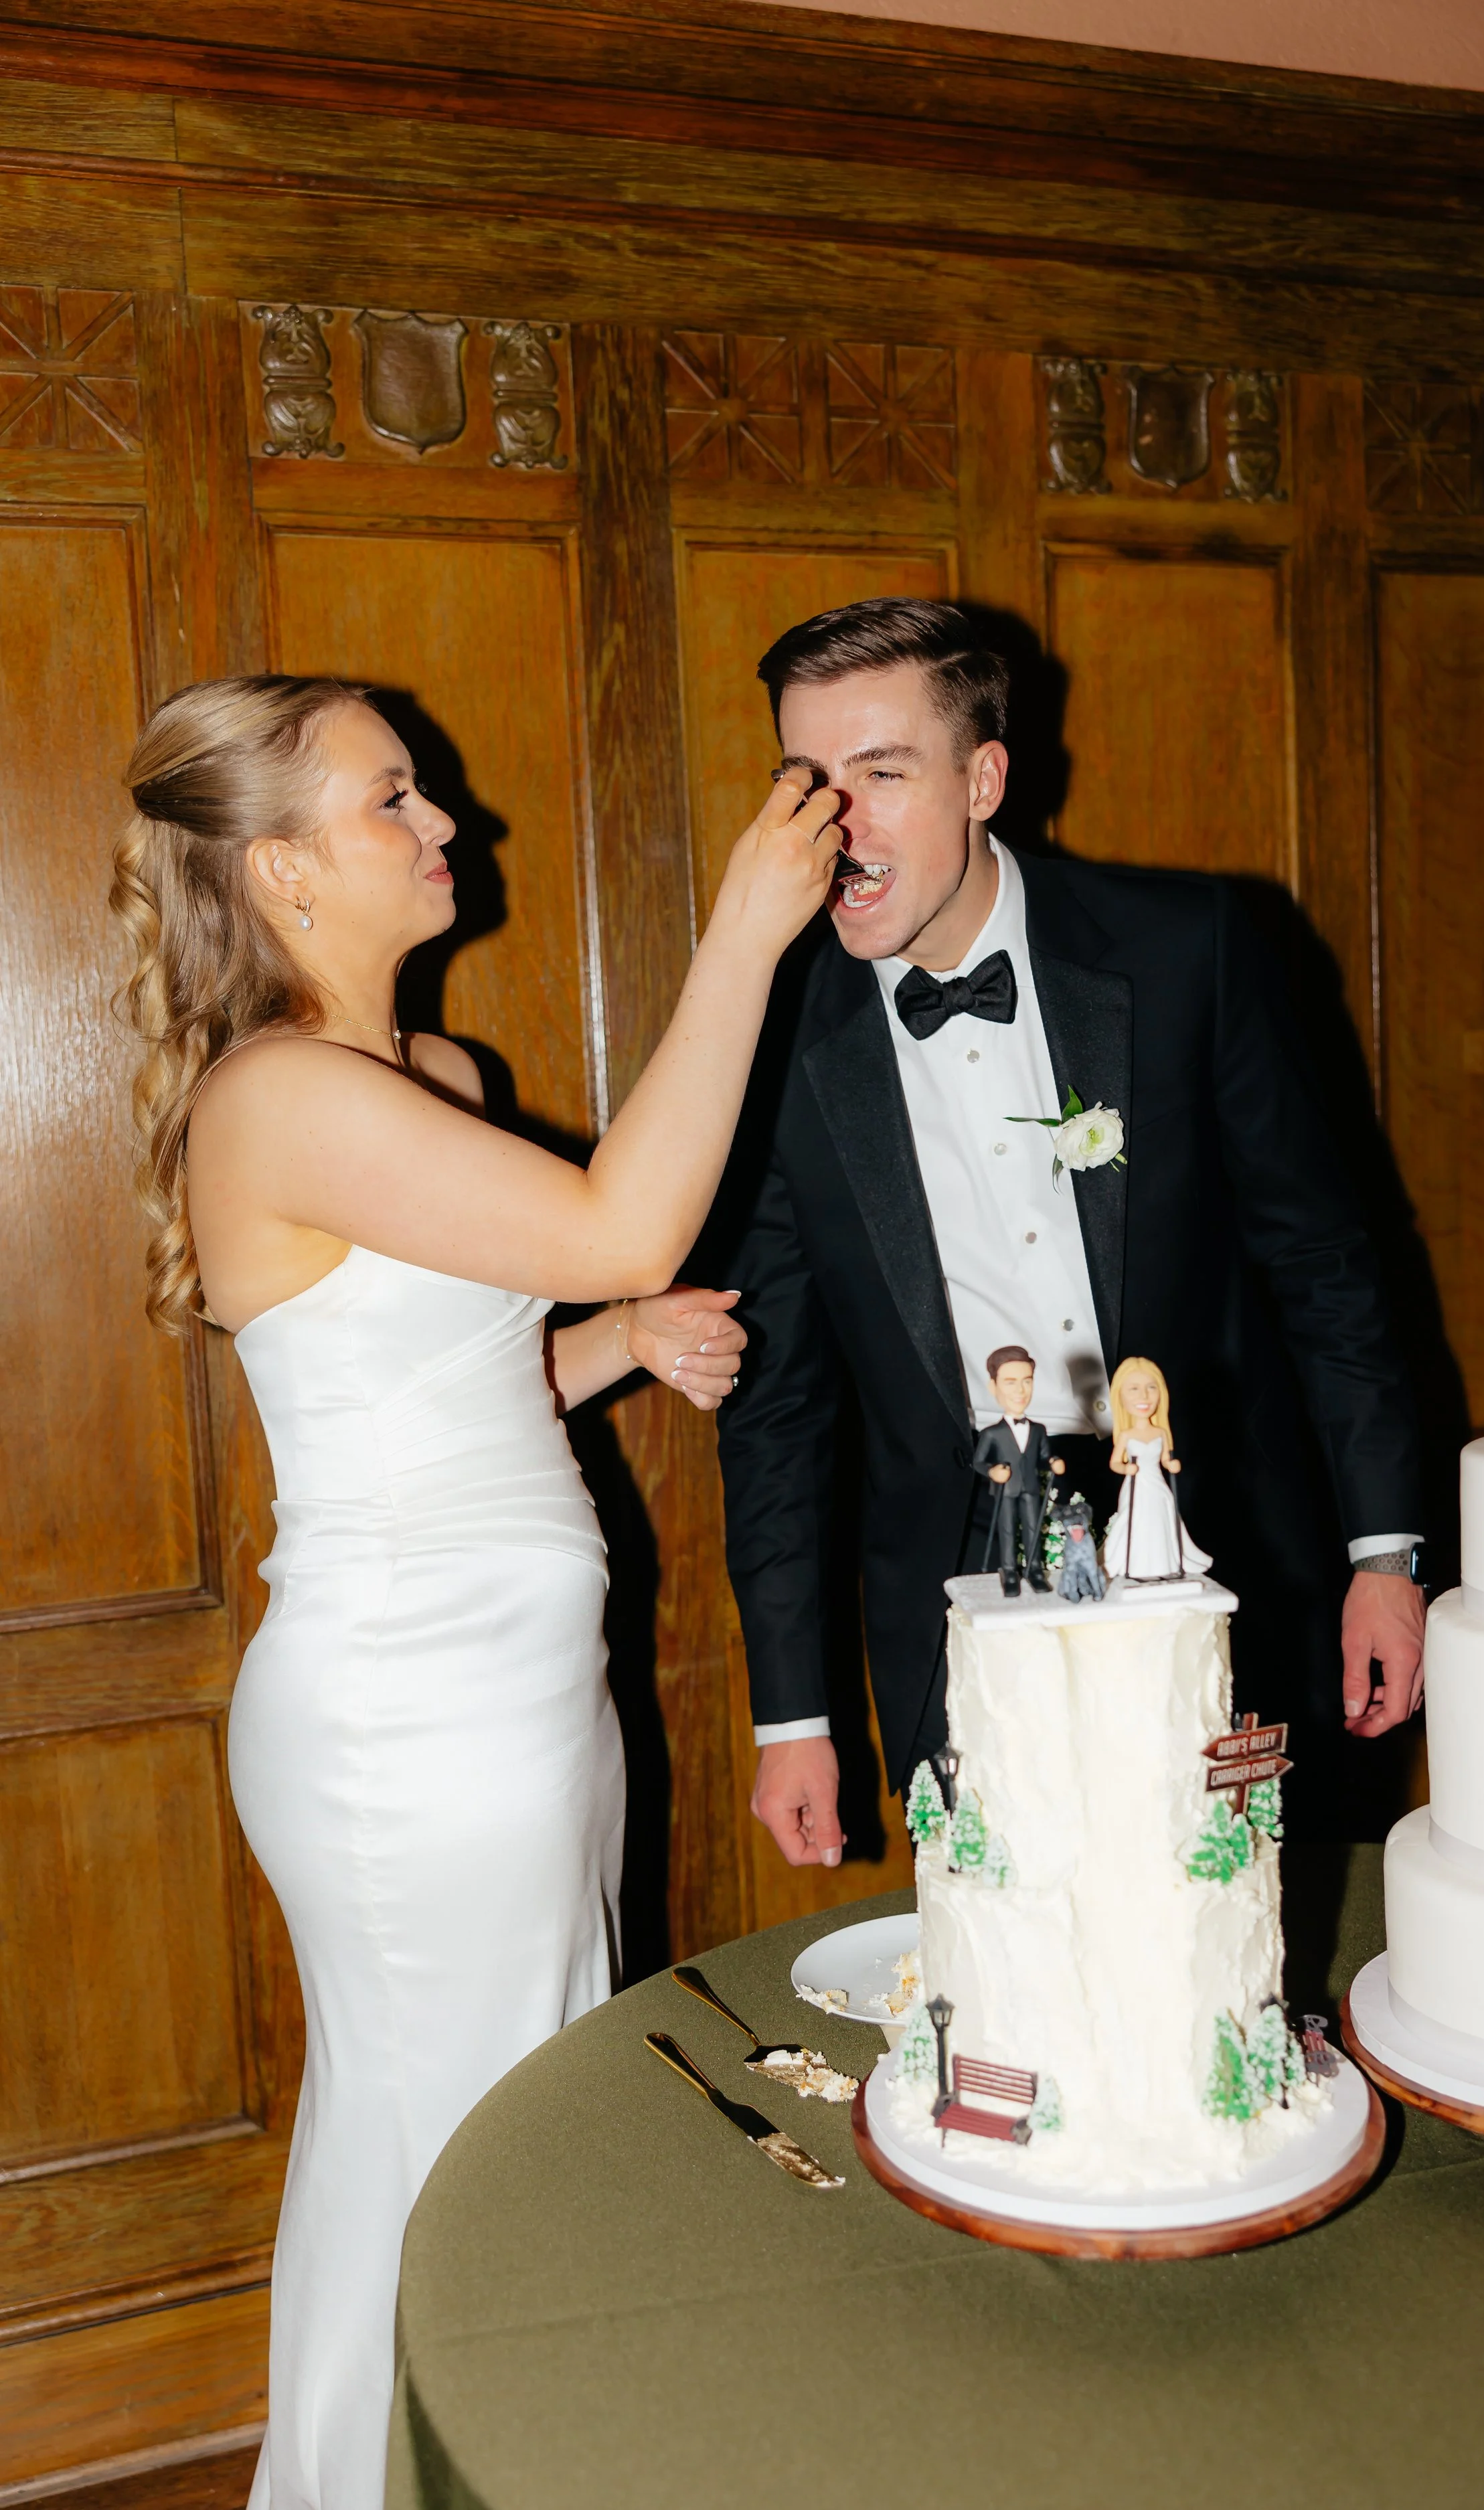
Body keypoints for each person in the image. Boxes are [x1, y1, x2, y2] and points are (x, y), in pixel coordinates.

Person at [109, 673, 841, 2510]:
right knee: (454, 2160)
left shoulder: (427, 1081)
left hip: (521, 1691)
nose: (449, 827)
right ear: (281, 873)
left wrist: (609, 1344)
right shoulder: (273, 1095)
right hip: (404, 1717)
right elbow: (622, 1214)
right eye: (393, 800)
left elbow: (434, 1388)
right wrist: (743, 936)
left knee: (487, 2136)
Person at [710, 598, 1427, 1871]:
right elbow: (775, 1403)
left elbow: (1325, 1262)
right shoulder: (765, 1032)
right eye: (808, 783)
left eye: (882, 775)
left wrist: (1386, 1550)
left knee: (1225, 1946)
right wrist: (793, 1712)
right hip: (955, 1600)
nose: (840, 825)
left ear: (985, 778)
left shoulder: (1192, 947)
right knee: (1014, 1977)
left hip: (1229, 1566)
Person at [1103, 1355, 1212, 1582]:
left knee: (1161, 1520)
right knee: (1136, 1520)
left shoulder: (1161, 1433)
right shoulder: (1126, 1435)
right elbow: (1114, 1463)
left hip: (1157, 1484)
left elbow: (1165, 1458)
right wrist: (1125, 1469)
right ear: (1120, 1396)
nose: (1144, 1396)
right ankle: (1134, 1563)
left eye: (1151, 1388)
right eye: (1134, 1389)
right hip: (1136, 1484)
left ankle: (1164, 1562)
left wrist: (1171, 1464)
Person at [969, 1343, 1066, 1595]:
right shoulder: (992, 1434)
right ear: (994, 1387)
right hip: (1005, 1491)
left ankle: (1034, 1569)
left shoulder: (1038, 1430)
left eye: (1027, 1381)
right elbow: (978, 1462)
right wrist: (992, 1472)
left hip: (1031, 1488)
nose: (1020, 1391)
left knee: (1034, 1529)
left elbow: (1044, 1457)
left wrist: (1053, 1461)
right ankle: (1009, 1571)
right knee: (1008, 1530)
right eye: (1010, 1382)